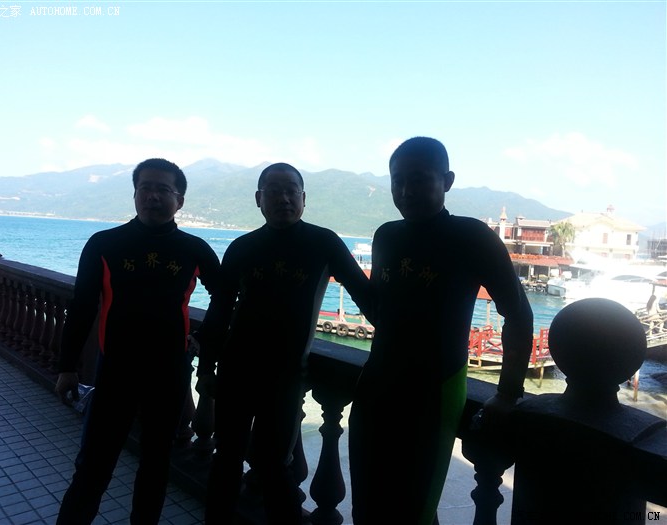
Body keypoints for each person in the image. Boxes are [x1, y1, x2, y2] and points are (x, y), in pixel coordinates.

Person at [348, 137, 533, 525]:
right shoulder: (386, 236)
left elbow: (518, 314)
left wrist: (507, 393)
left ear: (447, 181)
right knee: (366, 503)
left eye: (418, 179)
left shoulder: (472, 237)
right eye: (397, 181)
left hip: (435, 392)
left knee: (414, 507)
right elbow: (384, 310)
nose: (406, 190)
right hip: (375, 386)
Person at [198, 162, 373, 525]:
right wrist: (207, 368)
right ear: (258, 199)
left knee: (275, 466)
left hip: (286, 378)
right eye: (274, 191)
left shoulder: (323, 243)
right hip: (234, 370)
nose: (284, 198)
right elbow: (219, 310)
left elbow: (368, 298)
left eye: (292, 190)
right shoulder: (242, 247)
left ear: (304, 198)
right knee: (226, 458)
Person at [55, 158, 221, 525]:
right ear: (134, 194)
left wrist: (202, 337)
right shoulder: (104, 244)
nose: (152, 196)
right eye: (145, 188)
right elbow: (81, 308)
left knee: (156, 465)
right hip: (115, 370)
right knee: (93, 464)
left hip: (169, 374)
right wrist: (66, 367)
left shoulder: (193, 248)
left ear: (179, 200)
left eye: (163, 189)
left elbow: (224, 296)